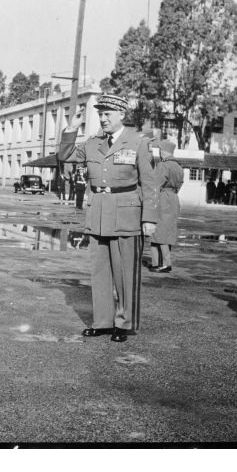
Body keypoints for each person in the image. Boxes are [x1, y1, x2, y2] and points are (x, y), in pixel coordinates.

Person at [59, 93, 158, 343]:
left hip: (127, 215)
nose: (102, 119)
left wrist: (150, 218)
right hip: (99, 213)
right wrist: (72, 128)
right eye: (100, 114)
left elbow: (149, 183)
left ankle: (124, 323)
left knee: (125, 272)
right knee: (100, 272)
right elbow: (65, 155)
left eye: (107, 114)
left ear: (121, 115)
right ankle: (102, 322)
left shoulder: (138, 142)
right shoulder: (93, 143)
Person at [149, 140, 184, 273]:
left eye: (160, 151)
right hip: (174, 198)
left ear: (163, 151)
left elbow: (155, 185)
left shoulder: (163, 166)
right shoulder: (178, 167)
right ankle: (163, 262)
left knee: (158, 231)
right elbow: (179, 185)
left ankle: (161, 263)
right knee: (167, 231)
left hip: (162, 198)